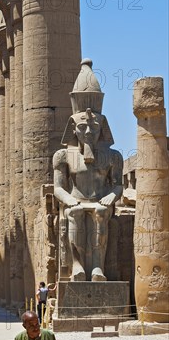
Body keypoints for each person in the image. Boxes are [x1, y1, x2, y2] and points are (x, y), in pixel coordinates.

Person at [53, 59, 123, 281]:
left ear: (102, 127)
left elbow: (118, 185)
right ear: (73, 128)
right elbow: (58, 188)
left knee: (101, 215)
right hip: (76, 200)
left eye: (94, 128)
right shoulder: (63, 155)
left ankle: (97, 267)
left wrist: (110, 197)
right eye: (83, 128)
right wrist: (70, 200)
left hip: (100, 201)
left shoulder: (112, 156)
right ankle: (77, 265)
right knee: (73, 213)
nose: (89, 133)